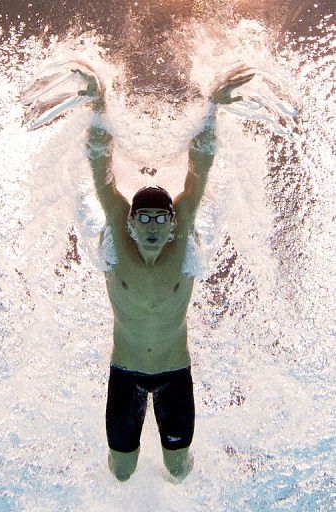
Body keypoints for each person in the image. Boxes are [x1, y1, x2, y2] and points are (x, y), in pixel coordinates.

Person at [86, 70, 254, 481]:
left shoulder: (182, 243)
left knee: (178, 471)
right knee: (121, 474)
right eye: (143, 218)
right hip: (124, 374)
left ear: (173, 223)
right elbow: (101, 174)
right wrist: (97, 104)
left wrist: (212, 107)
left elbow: (198, 174)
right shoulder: (117, 240)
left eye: (162, 219)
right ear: (130, 222)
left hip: (174, 375)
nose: (153, 227)